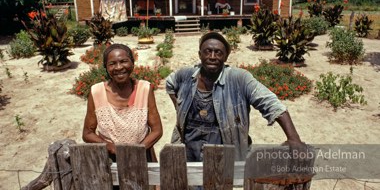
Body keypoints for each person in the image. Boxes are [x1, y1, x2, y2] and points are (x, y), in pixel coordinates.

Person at [166, 32, 303, 162]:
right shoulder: (185, 76)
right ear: (200, 54)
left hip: (223, 155)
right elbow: (170, 84)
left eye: (218, 52)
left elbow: (271, 103)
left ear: (225, 58)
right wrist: (179, 109)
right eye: (207, 51)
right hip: (188, 152)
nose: (212, 56)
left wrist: (293, 138)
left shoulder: (239, 79)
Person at [83, 43, 163, 163]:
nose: (119, 67)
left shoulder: (145, 89)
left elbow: (157, 130)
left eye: (124, 61)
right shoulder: (97, 92)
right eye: (112, 64)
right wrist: (111, 147)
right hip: (109, 160)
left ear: (132, 63)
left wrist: (136, 151)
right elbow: (87, 133)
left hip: (142, 157)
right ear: (105, 67)